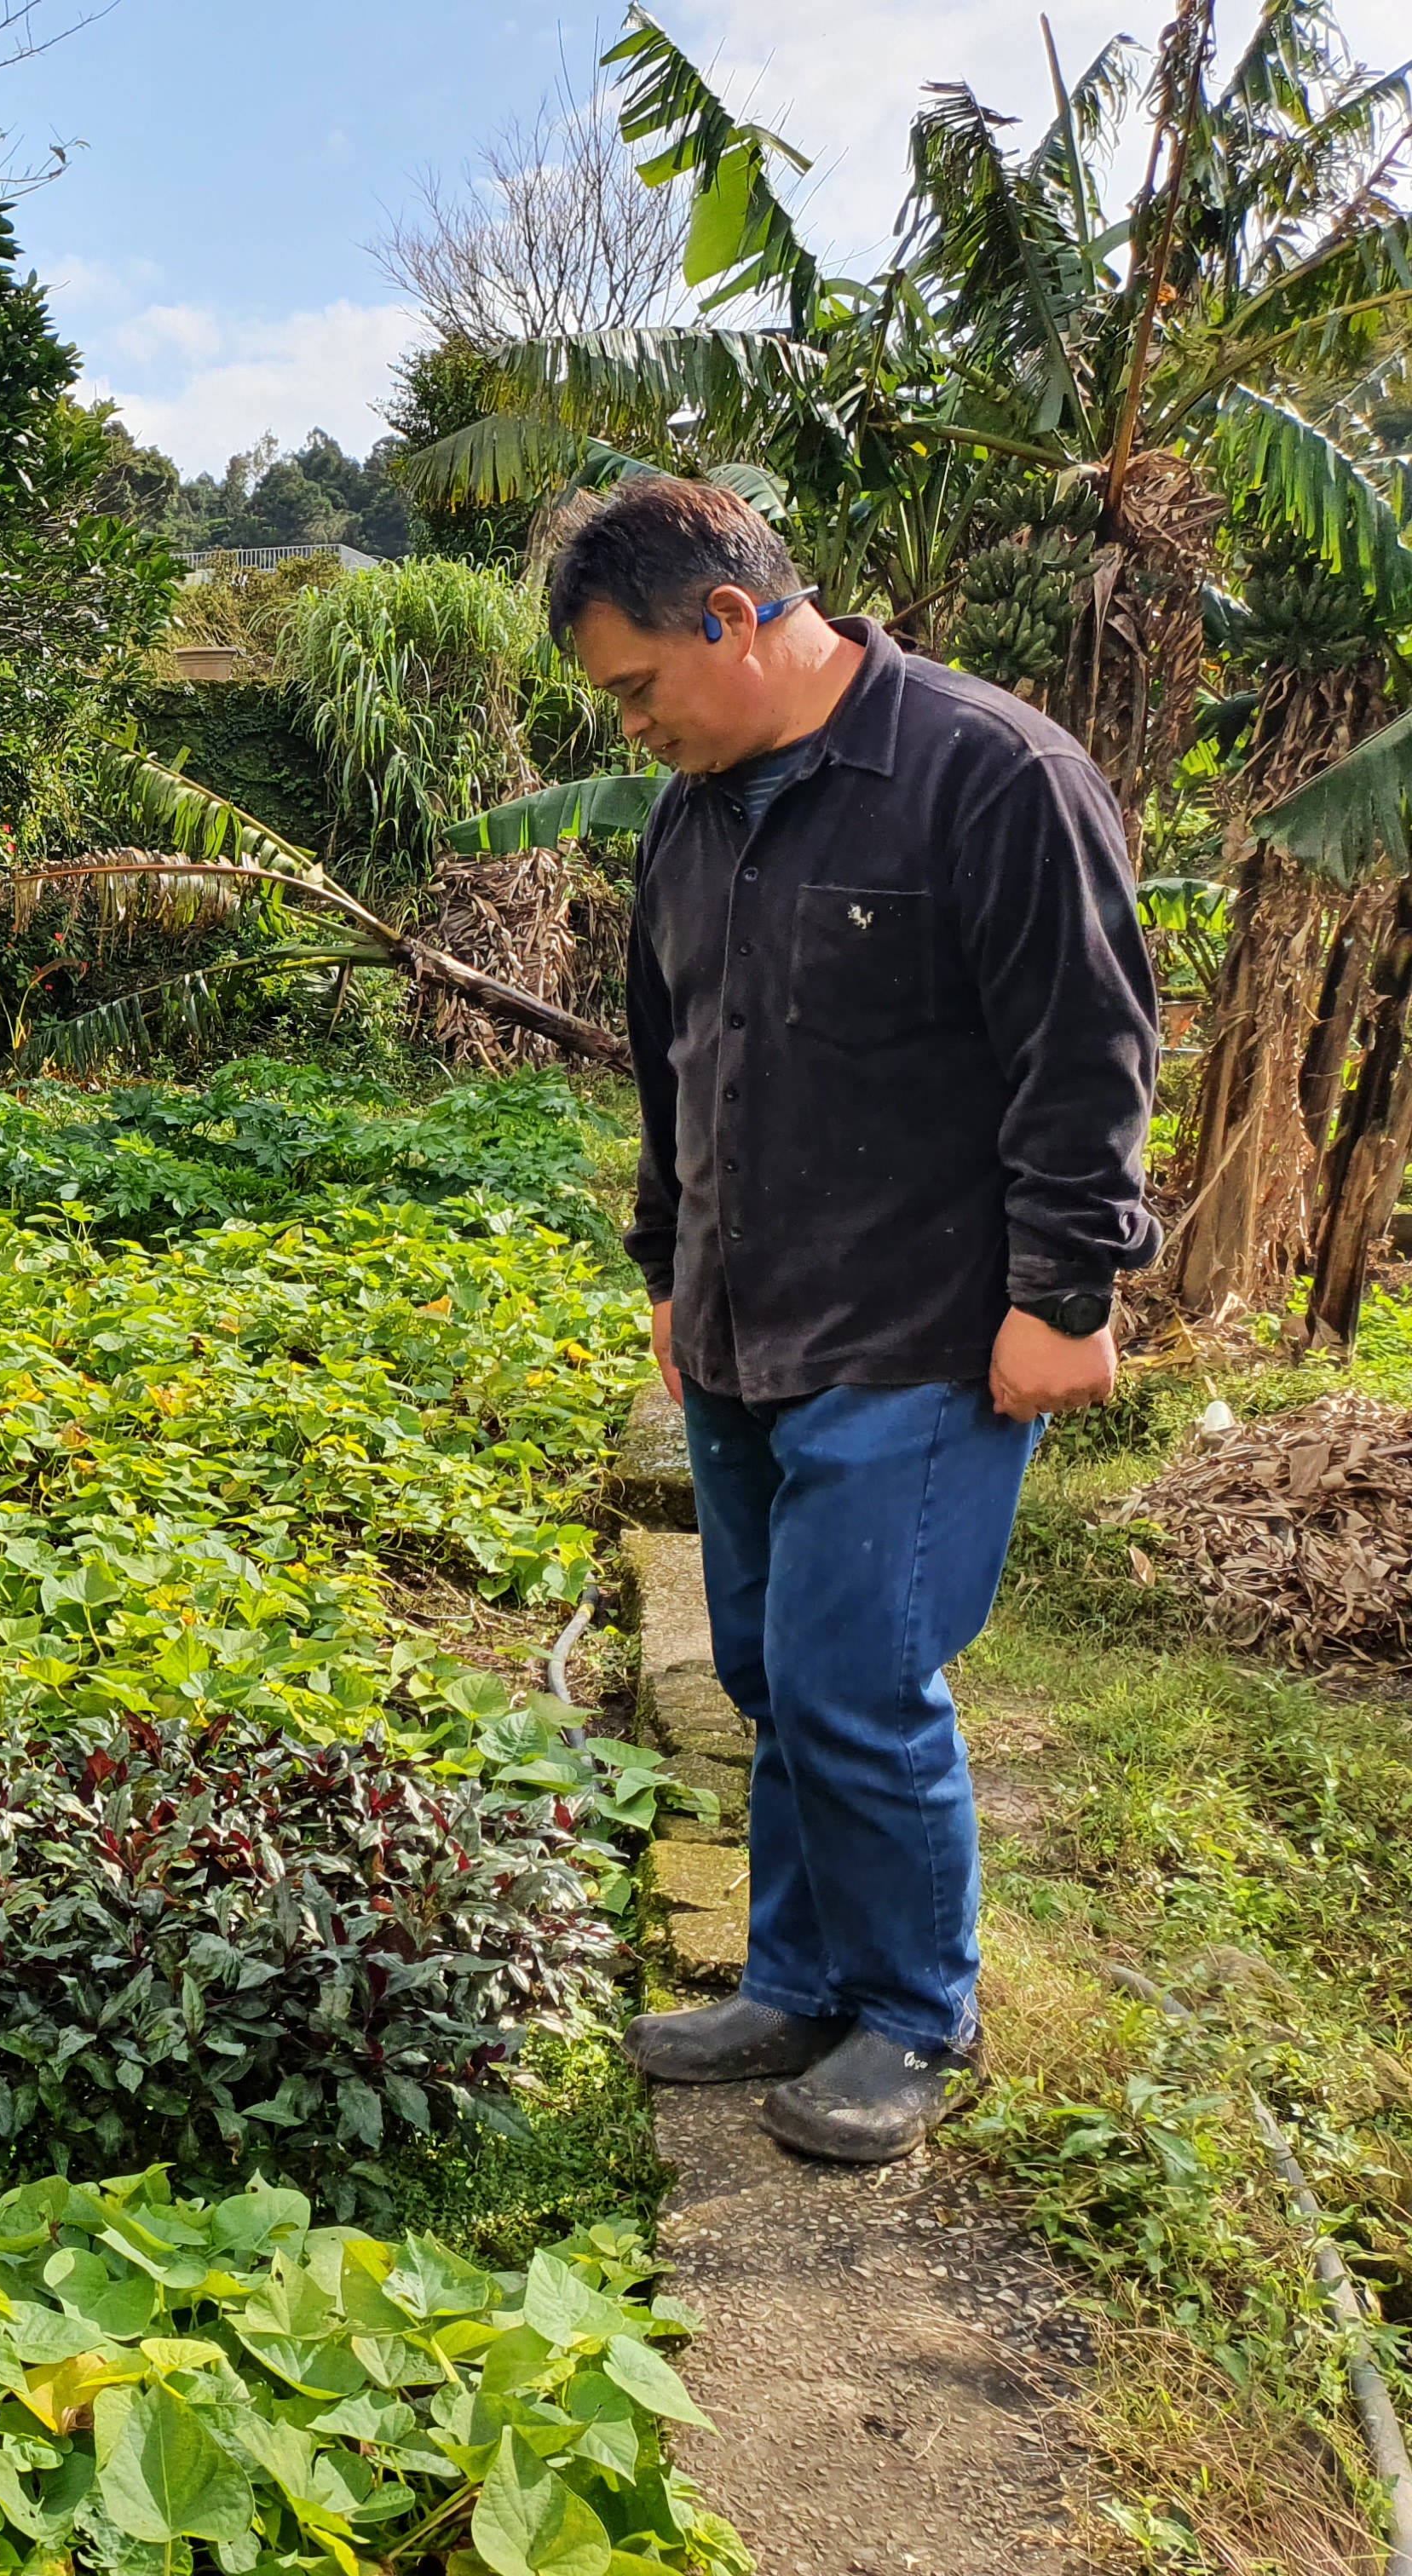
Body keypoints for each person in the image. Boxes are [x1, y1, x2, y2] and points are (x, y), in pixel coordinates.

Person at [549, 478, 1160, 2164]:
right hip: (747, 1324)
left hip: (926, 1330)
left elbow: (1086, 1055)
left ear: (733, 618)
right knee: (762, 1670)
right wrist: (669, 1267)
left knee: (860, 1679)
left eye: (634, 686)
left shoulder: (989, 776)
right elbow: (678, 1074)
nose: (634, 723)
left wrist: (1066, 1293)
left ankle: (913, 2013)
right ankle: (798, 1978)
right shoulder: (693, 821)